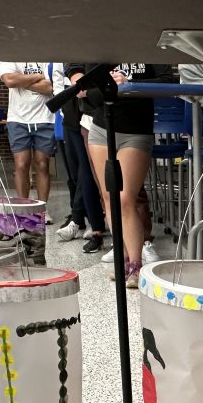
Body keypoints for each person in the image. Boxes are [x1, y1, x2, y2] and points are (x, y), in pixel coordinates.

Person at [78, 62, 174, 288]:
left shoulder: (148, 47)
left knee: (125, 198)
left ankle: (136, 263)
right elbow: (88, 93)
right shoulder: (103, 49)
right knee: (109, 198)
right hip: (101, 128)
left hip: (136, 130)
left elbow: (168, 82)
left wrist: (130, 84)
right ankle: (122, 260)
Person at [0, 61, 61, 216]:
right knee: (21, 165)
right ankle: (23, 210)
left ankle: (41, 211)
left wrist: (21, 80)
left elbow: (49, 88)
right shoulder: (9, 55)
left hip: (45, 118)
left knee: (42, 164)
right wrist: (37, 77)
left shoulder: (45, 54)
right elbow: (9, 81)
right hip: (17, 119)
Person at [57, 66, 107, 249]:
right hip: (71, 117)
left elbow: (83, 85)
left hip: (93, 114)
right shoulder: (66, 59)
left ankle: (93, 226)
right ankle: (81, 218)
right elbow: (77, 79)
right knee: (79, 174)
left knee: (89, 175)